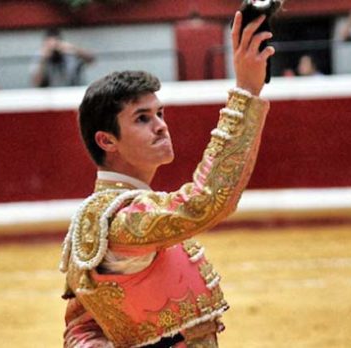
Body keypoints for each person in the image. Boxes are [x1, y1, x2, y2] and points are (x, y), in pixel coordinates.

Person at [59, 11, 274, 347]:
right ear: (107, 140)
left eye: (160, 113)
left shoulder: (108, 219)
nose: (161, 125)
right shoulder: (120, 222)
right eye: (142, 118)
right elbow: (204, 202)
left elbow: (85, 324)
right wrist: (245, 91)